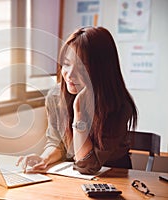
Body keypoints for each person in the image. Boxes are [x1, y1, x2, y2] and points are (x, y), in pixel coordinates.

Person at [16, 26, 138, 175]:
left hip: (113, 179)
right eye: (66, 64)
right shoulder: (55, 96)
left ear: (101, 70)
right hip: (72, 177)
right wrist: (44, 158)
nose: (69, 75)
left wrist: (78, 112)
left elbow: (87, 165)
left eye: (81, 67)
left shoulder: (118, 106)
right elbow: (57, 143)